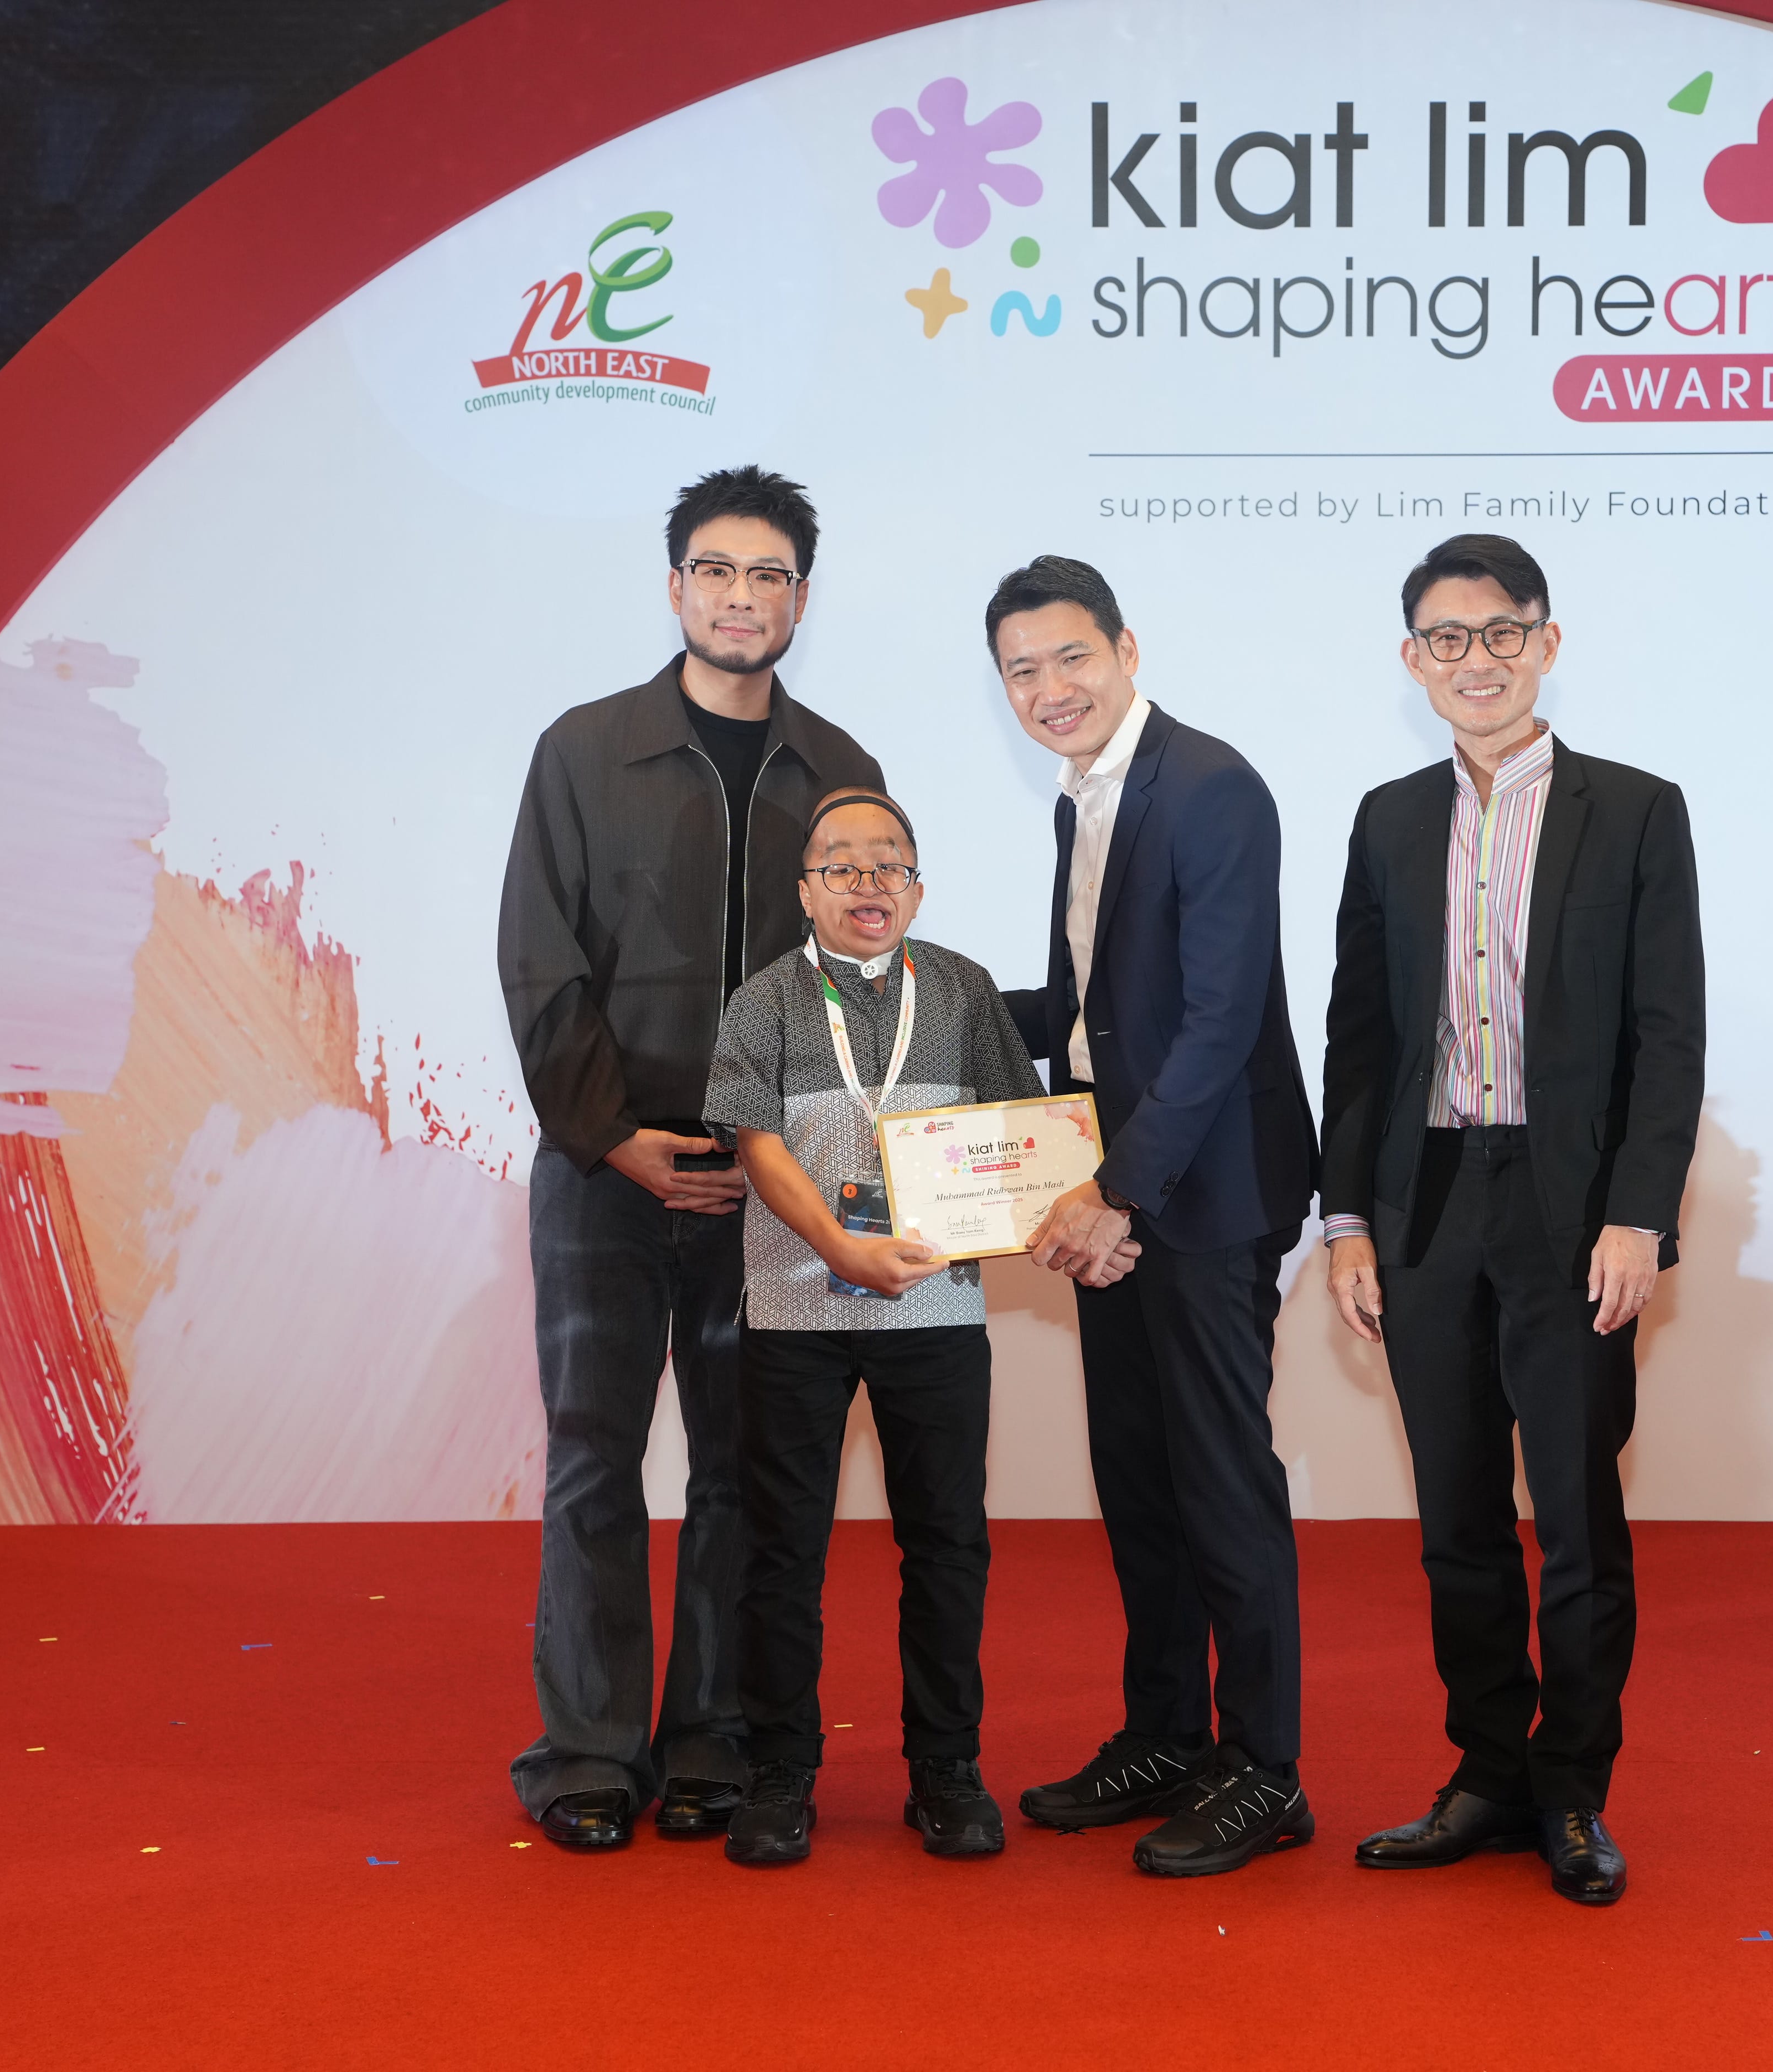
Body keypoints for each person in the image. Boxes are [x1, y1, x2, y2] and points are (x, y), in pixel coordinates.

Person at [497, 466, 881, 1851]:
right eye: (716, 570)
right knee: (594, 1464)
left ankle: (717, 1734)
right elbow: (540, 964)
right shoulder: (585, 751)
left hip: (766, 1190)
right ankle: (589, 1753)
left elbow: (865, 978)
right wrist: (616, 1139)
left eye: (768, 575)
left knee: (741, 1473)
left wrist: (783, 1154)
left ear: (799, 600)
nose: (740, 596)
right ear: (676, 587)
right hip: (602, 1176)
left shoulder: (839, 773)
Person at [1320, 533, 1704, 1907]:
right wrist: (1346, 1220)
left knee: (1580, 1519)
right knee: (1457, 1516)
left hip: (1571, 1207)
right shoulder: (1388, 818)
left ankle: (1573, 1789)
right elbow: (1359, 1040)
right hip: (1425, 1203)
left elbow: (1669, 1035)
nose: (1473, 661)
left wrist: (1638, 1216)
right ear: (1412, 658)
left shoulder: (1636, 810)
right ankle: (1488, 1773)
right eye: (1446, 638)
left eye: (1499, 634)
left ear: (1546, 643)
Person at [701, 789, 1111, 1865]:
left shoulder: (964, 991)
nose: (867, 883)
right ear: (806, 893)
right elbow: (755, 1144)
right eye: (840, 866)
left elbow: (1017, 1134)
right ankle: (781, 1771)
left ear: (918, 890)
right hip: (794, 1309)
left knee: (947, 1544)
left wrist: (1051, 1209)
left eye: (889, 864)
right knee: (782, 1550)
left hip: (935, 1310)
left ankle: (946, 1769)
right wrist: (840, 1249)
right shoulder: (763, 1000)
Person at [991, 555, 1322, 1878]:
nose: (1050, 689)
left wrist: (1117, 1190)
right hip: (1112, 1191)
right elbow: (1091, 1014)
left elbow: (1218, 1021)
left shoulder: (1210, 786)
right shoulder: (1083, 800)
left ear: (1127, 651)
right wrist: (930, 1002)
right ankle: (1169, 1736)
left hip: (1202, 1194)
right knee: (1139, 1478)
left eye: (1071, 657)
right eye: (1022, 671)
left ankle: (1267, 1770)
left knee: (1221, 1482)